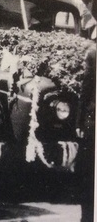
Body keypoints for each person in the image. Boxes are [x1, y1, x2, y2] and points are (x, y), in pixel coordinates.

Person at [76, 44, 96, 222]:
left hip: (93, 122)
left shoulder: (93, 53)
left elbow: (87, 88)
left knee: (89, 175)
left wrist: (80, 122)